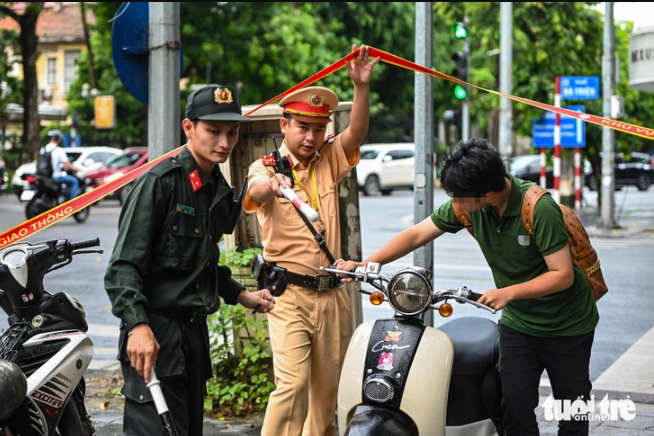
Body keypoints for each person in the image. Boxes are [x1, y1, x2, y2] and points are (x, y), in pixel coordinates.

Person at [338, 138, 600, 436]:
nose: (456, 205)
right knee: (512, 405)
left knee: (572, 408)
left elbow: (562, 275)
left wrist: (507, 293)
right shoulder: (470, 205)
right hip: (519, 324)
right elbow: (416, 235)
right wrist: (368, 264)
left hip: (568, 325)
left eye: (460, 197)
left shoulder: (539, 209)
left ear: (487, 193)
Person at [104, 84, 276, 436]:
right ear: (188, 128)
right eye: (213, 131)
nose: (224, 142)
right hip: (154, 330)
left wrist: (242, 295)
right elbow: (123, 267)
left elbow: (202, 261)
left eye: (231, 131)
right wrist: (138, 326)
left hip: (192, 334)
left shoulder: (216, 188)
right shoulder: (160, 183)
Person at [243, 44, 379, 436]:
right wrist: (272, 184)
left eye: (319, 128)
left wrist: (360, 87)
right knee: (293, 386)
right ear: (284, 125)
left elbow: (358, 130)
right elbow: (256, 191)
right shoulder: (265, 166)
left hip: (333, 293)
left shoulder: (329, 158)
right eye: (303, 127)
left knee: (327, 397)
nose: (311, 136)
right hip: (289, 296)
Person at [40, 129, 82, 200]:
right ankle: (73, 203)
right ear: (58, 139)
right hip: (55, 176)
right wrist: (76, 169)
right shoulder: (59, 150)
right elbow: (68, 165)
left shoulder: (43, 149)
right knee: (74, 181)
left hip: (44, 176)